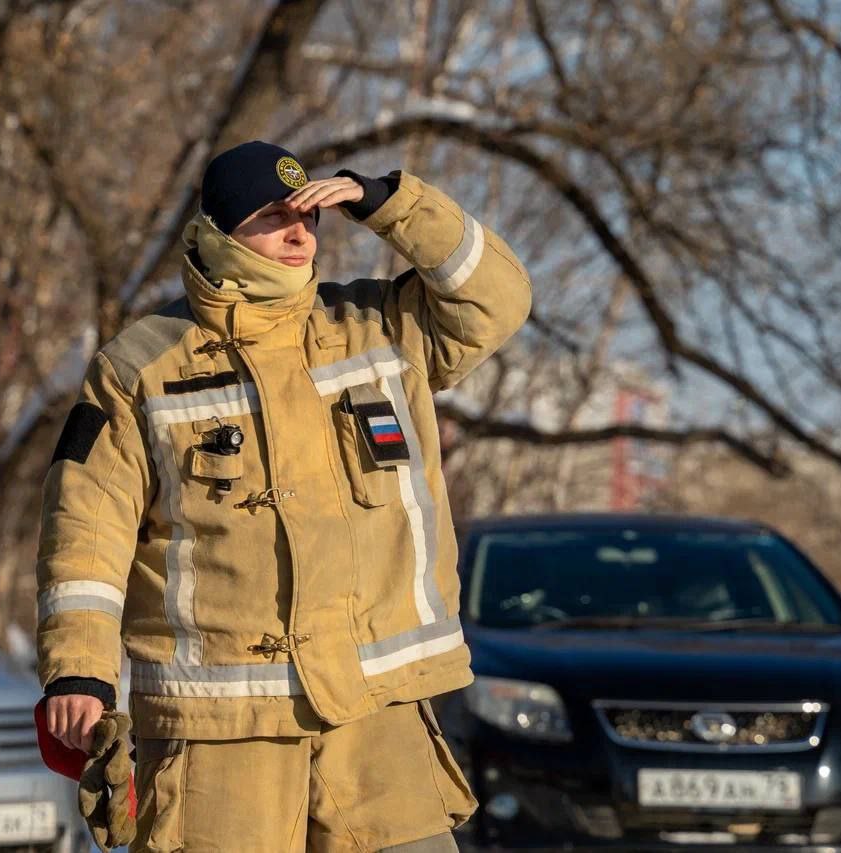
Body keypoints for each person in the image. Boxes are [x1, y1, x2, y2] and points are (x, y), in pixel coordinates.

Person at [35, 140, 532, 852]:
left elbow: (499, 297)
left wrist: (386, 202)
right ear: (217, 230)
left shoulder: (379, 327)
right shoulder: (138, 369)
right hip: (220, 737)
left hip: (376, 719)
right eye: (274, 217)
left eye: (308, 218)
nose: (300, 234)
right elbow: (84, 532)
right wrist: (76, 671)